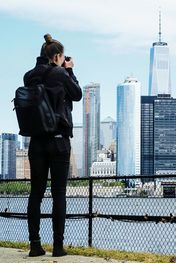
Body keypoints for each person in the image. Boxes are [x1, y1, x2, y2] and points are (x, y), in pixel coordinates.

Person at [23, 34, 82, 257]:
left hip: (36, 141)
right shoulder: (60, 72)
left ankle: (35, 245)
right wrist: (69, 70)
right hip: (58, 140)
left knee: (35, 194)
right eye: (61, 56)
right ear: (57, 56)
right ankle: (58, 247)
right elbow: (76, 94)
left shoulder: (29, 76)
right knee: (59, 194)